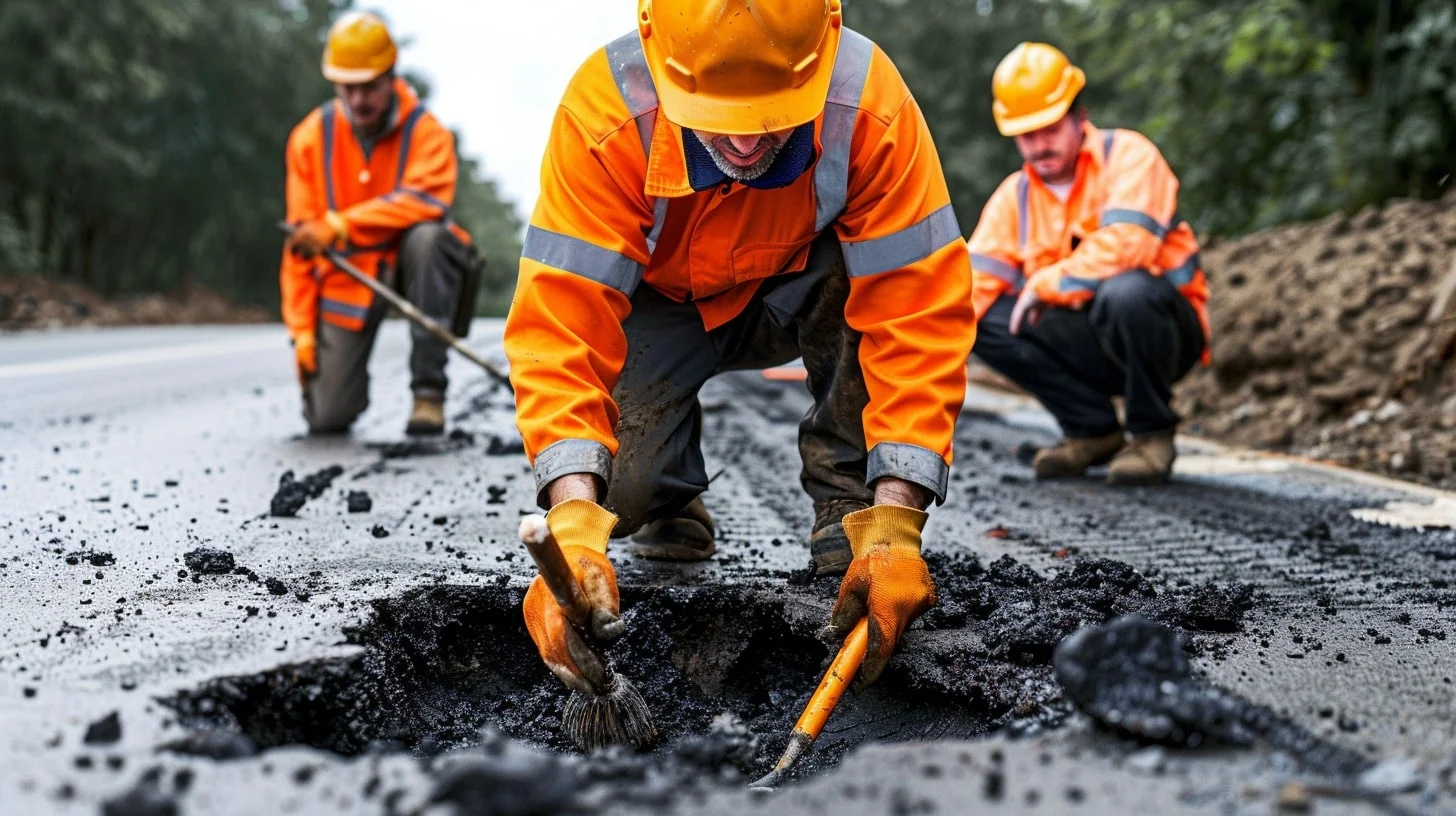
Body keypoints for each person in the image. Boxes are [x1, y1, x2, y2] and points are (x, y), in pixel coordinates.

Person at [504, 0, 976, 692]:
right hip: (662, 308)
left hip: (802, 285)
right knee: (622, 487)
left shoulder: (867, 102)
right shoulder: (605, 113)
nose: (749, 145)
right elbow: (561, 327)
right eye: (720, 117)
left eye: (772, 116)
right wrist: (574, 525)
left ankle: (850, 511)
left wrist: (897, 524)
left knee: (869, 272)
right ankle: (668, 495)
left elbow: (918, 313)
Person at [968, 42, 1211, 485]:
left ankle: (1152, 433)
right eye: (1027, 135)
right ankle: (1093, 431)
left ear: (1080, 117)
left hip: (1161, 334)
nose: (1039, 146)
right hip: (1085, 340)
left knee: (1127, 290)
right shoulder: (1012, 199)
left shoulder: (1130, 156)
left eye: (1049, 129)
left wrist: (1045, 284)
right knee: (977, 320)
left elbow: (1128, 246)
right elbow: (967, 290)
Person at [281, 11, 479, 436]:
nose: (358, 100)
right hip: (349, 284)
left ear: (392, 76)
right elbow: (299, 245)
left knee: (431, 239)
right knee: (326, 417)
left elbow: (424, 202)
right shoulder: (308, 139)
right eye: (348, 88)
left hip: (412, 271)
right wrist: (301, 333)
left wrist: (339, 226)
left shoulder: (429, 135)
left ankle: (428, 393)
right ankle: (343, 386)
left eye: (369, 86)